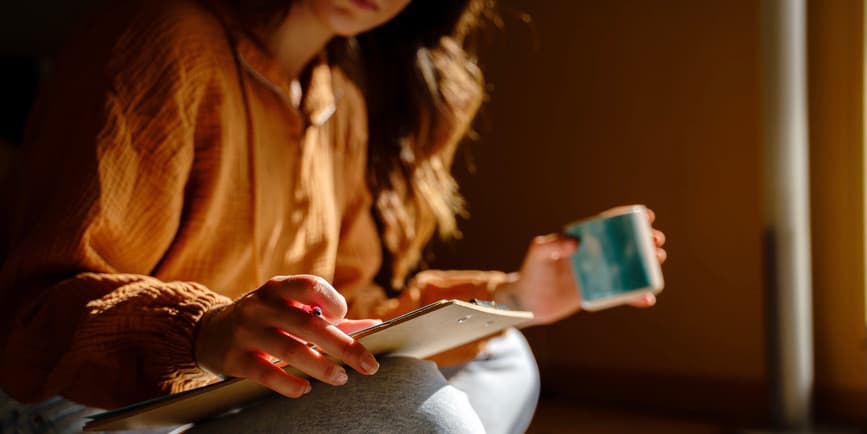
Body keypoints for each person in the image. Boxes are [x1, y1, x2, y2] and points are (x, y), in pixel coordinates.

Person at [0, 0, 667, 433]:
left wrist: (514, 295)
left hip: (244, 391)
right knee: (424, 415)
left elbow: (356, 313)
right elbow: (30, 317)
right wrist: (204, 330)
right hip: (106, 409)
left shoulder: (336, 102)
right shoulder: (160, 40)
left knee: (504, 357)